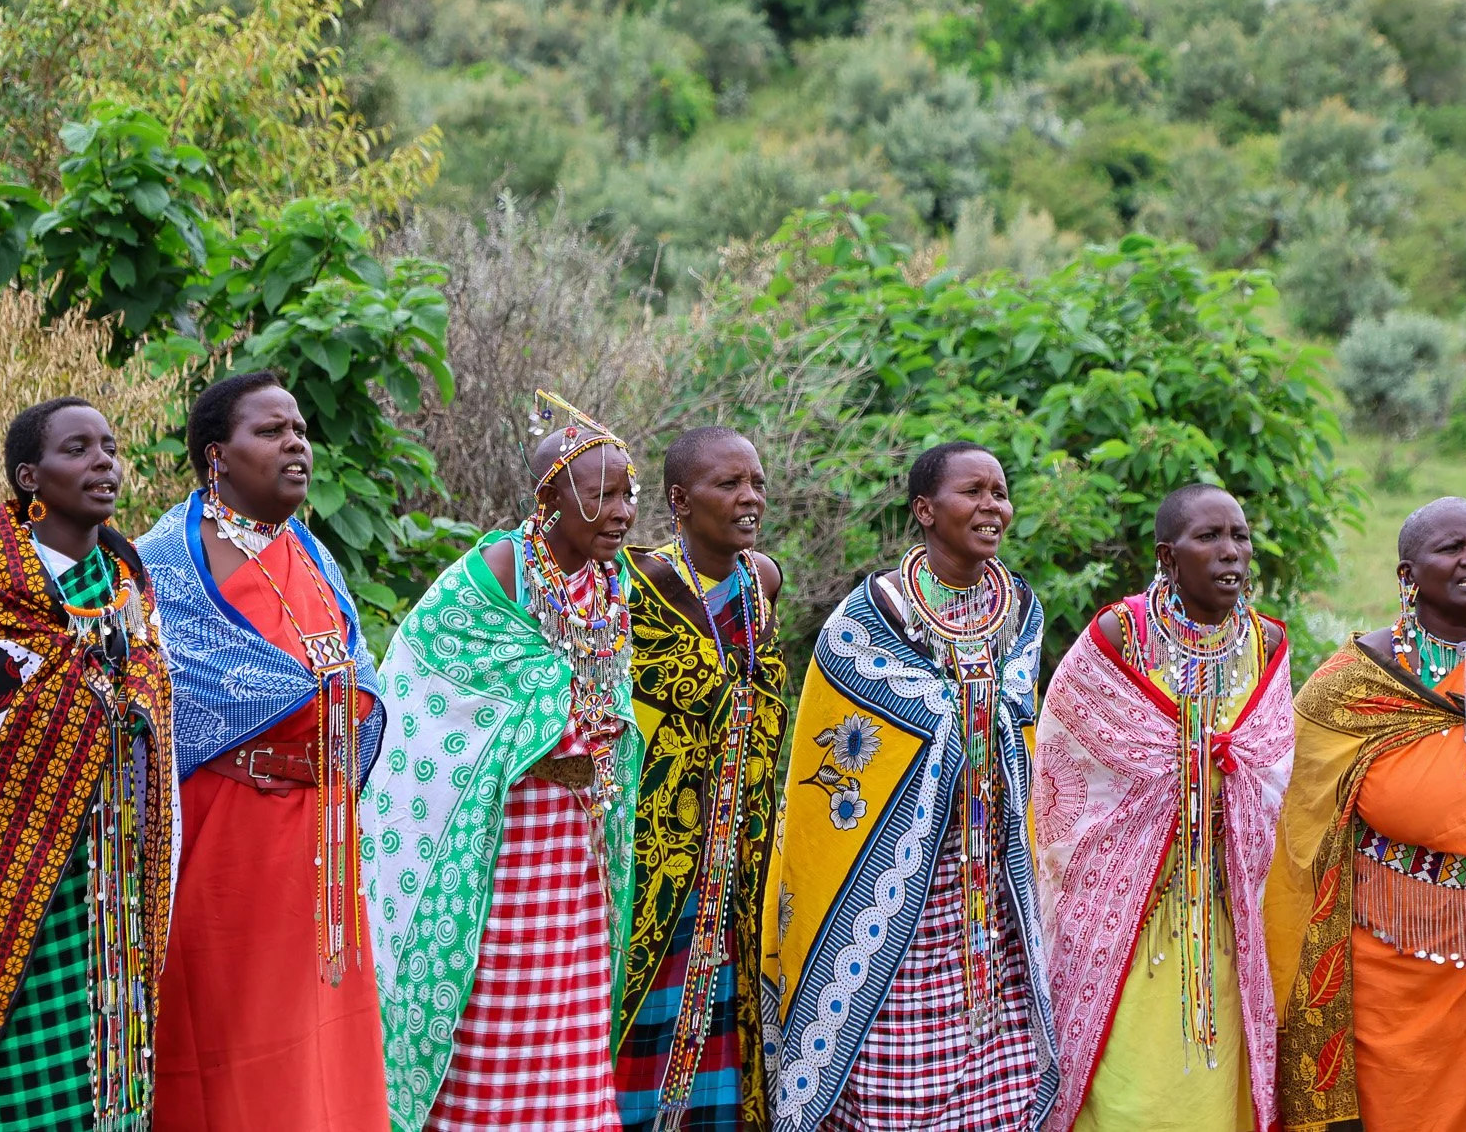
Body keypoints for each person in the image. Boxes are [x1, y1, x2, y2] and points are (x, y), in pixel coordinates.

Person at [759, 440, 1057, 1132]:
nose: (993, 506)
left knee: (1001, 1078)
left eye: (1000, 491)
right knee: (898, 1091)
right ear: (925, 509)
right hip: (893, 893)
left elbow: (1018, 721)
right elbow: (844, 755)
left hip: (990, 895)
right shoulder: (868, 620)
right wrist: (963, 714)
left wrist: (973, 716)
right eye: (973, 491)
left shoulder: (1019, 610)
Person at [365, 391, 643, 1132]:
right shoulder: (493, 574)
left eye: (628, 494)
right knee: (498, 992)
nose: (620, 511)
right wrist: (551, 713)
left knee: (573, 1000)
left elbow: (611, 695)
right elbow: (423, 681)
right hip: (501, 834)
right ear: (550, 497)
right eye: (602, 494)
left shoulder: (609, 587)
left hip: (579, 840)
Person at [0, 397, 178, 1132]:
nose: (104, 463)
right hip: (7, 883)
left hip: (113, 876)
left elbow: (149, 704)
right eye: (78, 449)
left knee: (108, 1064)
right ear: (30, 475)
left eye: (110, 447)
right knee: (13, 1077)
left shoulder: (128, 580)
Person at [136, 371, 388, 1131]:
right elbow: (168, 690)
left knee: (327, 1044)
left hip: (324, 840)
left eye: (301, 430)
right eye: (271, 431)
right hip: (230, 838)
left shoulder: (311, 552)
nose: (296, 444)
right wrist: (300, 699)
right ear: (217, 455)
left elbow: (355, 673)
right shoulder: (165, 565)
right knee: (236, 1041)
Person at [1265, 496, 1466, 1132]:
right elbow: (1294, 808)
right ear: (1408, 574)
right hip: (1381, 972)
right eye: (1452, 548)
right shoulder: (1358, 680)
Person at [1034, 484, 1293, 1132]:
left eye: (1239, 536)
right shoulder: (1122, 633)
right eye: (1209, 537)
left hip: (1225, 912)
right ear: (1168, 558)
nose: (1231, 551)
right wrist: (1185, 769)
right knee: (1128, 1091)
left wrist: (1221, 768)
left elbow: (1273, 764)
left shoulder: (1265, 643)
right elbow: (1066, 761)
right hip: (1127, 916)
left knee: (1210, 1090)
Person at [613, 427, 789, 1132]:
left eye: (757, 483)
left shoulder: (763, 580)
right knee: (647, 998)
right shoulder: (638, 583)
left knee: (728, 999)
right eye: (729, 484)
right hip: (662, 846)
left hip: (742, 842)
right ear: (680, 500)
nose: (750, 498)